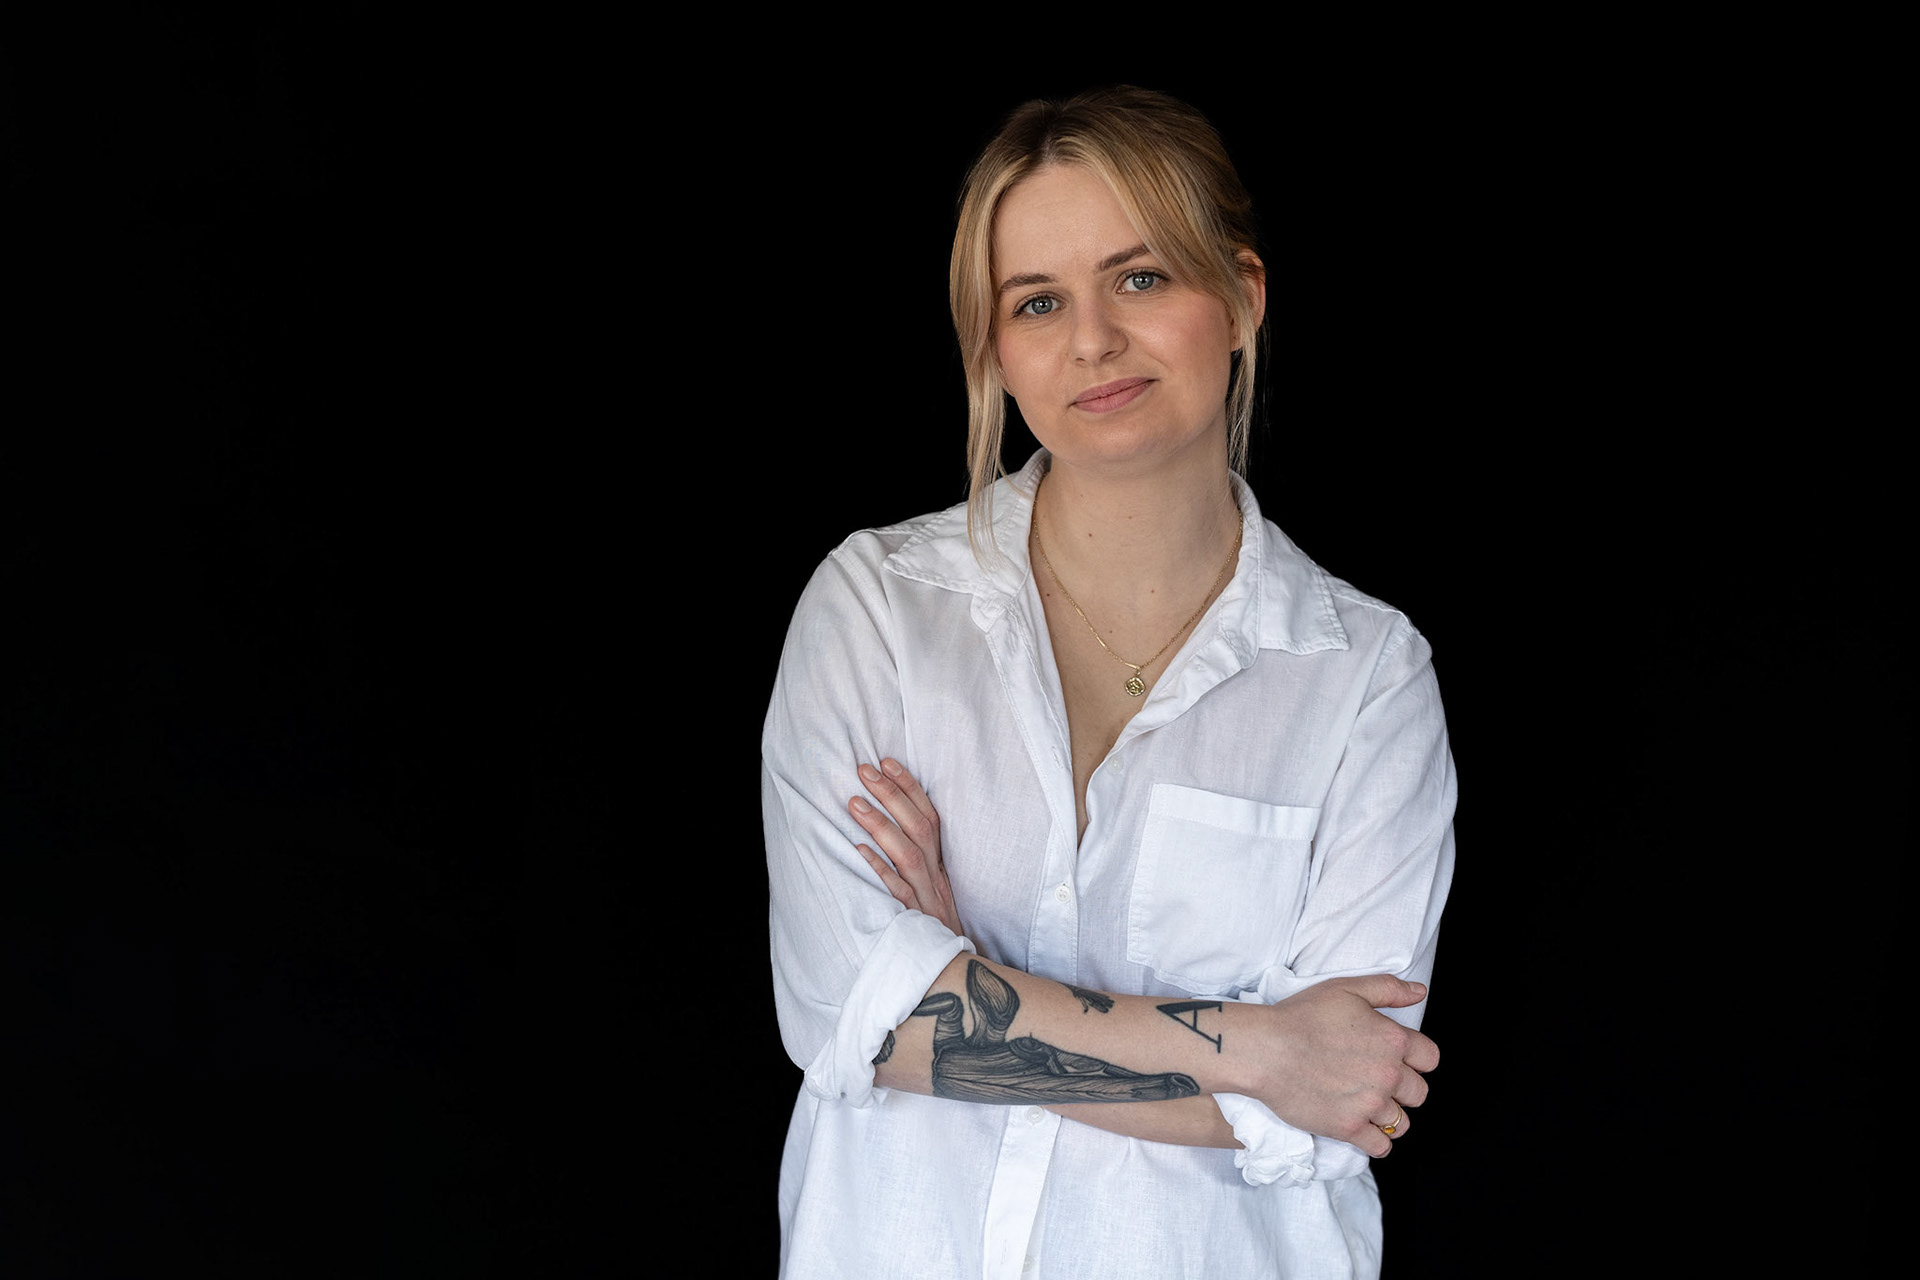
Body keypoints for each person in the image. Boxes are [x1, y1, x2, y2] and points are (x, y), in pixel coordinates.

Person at [764, 86, 1456, 1279]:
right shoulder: (879, 610)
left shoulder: (1366, 682)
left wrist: (960, 976)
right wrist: (1257, 1047)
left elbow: (1336, 1097)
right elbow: (849, 1012)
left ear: (1241, 295)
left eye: (1139, 278)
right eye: (1037, 301)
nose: (1091, 339)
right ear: (996, 349)